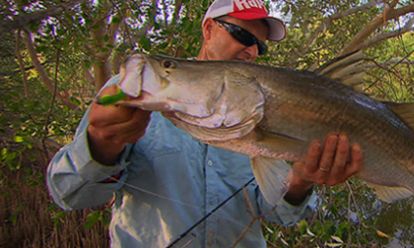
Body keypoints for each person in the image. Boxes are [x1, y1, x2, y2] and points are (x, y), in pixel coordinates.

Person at [46, 0, 363, 247]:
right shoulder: (131, 92)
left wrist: (300, 183)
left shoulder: (259, 105)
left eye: (260, 46)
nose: (251, 50)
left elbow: (279, 214)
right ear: (209, 29)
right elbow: (68, 196)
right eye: (241, 35)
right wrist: (101, 145)